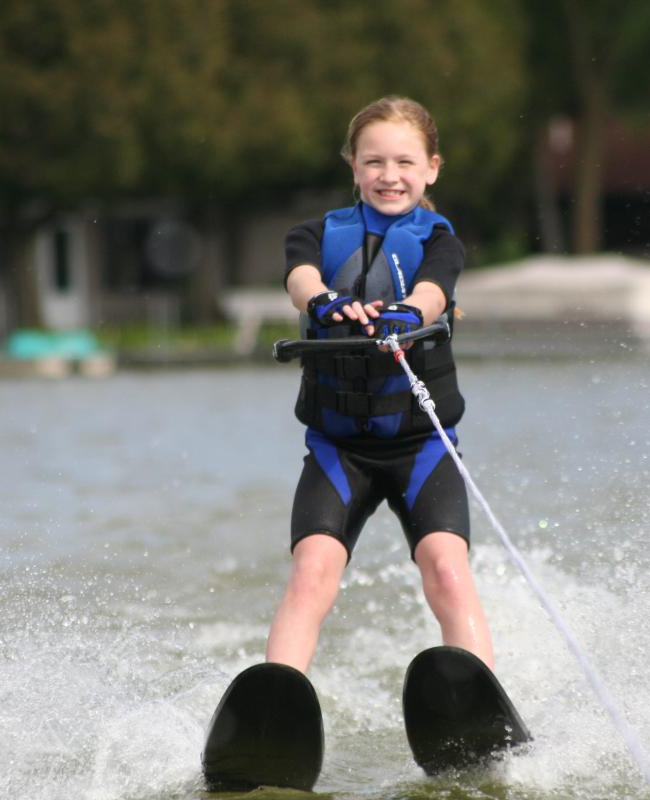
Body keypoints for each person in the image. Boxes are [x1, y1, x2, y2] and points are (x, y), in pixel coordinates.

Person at [266, 96, 495, 673]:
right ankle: (280, 693)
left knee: (445, 565)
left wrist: (407, 316)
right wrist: (322, 299)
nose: (389, 176)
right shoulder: (314, 234)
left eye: (404, 162)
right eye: (373, 162)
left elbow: (433, 291)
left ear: (431, 168)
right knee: (313, 569)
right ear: (353, 166)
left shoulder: (441, 241)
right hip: (338, 449)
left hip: (420, 446)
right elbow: (299, 278)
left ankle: (479, 688)